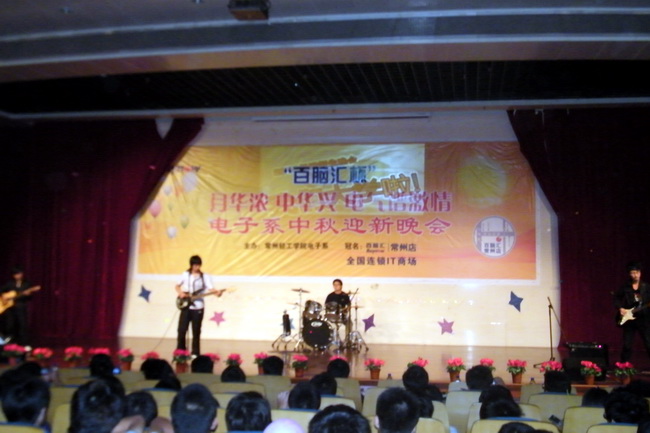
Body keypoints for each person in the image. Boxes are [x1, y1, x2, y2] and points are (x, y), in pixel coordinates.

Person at [176, 255, 222, 356]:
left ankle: (195, 353)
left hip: (198, 307)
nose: (196, 267)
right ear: (191, 265)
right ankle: (180, 352)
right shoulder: (185, 274)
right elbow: (177, 286)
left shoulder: (204, 276)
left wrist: (217, 293)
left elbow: (211, 288)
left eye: (198, 265)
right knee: (181, 330)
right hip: (186, 305)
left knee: (196, 331)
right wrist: (181, 293)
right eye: (194, 265)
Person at [614, 262, 650, 361]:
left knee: (648, 343)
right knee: (627, 345)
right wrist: (620, 308)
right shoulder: (625, 287)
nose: (635, 275)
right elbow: (616, 298)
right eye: (633, 273)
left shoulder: (646, 287)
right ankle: (623, 366)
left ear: (640, 273)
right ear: (630, 274)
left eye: (637, 272)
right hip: (629, 319)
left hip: (643, 319)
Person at [0, 267, 41, 345]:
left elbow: (29, 297)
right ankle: (10, 341)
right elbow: (1, 290)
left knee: (23, 324)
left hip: (21, 306)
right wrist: (3, 297)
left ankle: (23, 343)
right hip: (10, 308)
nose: (18, 275)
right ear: (13, 275)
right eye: (16, 274)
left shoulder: (27, 284)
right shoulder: (9, 283)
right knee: (10, 324)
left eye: (20, 273)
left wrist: (28, 294)